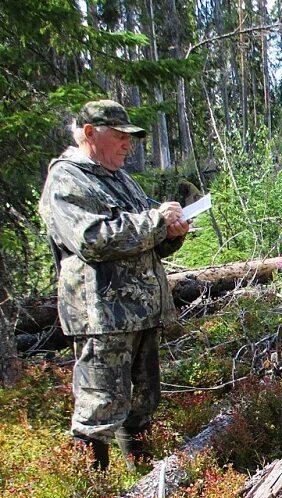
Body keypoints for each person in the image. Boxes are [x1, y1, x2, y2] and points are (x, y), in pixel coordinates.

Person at [39, 99, 191, 470]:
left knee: (142, 403)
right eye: (120, 136)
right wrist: (157, 221)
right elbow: (91, 238)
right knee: (98, 409)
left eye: (131, 137)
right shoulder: (67, 178)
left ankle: (140, 483)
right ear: (90, 133)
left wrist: (172, 232)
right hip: (102, 318)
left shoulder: (120, 177)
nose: (128, 144)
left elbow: (147, 236)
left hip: (140, 313)